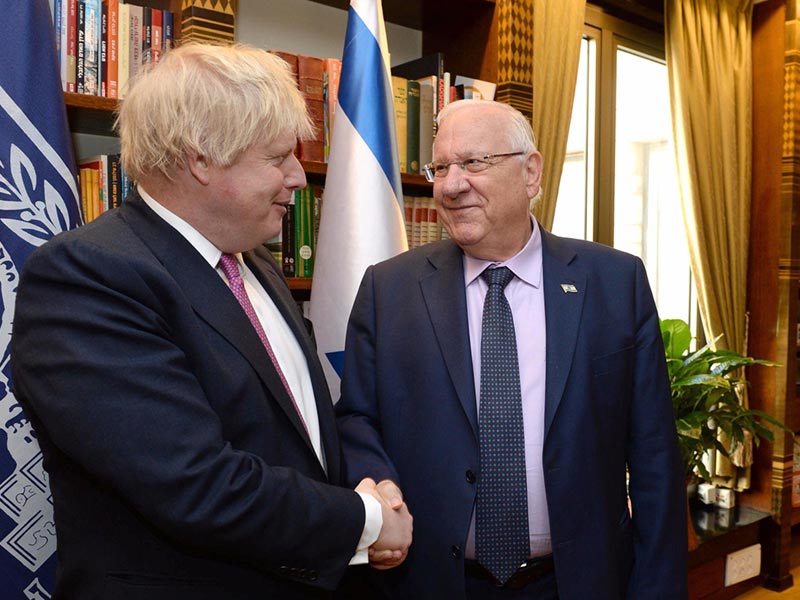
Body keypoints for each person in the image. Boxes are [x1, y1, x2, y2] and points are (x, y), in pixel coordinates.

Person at [10, 42, 411, 600]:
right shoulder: (88, 276)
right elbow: (193, 483)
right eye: (277, 158)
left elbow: (297, 433)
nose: (299, 177)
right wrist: (364, 520)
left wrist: (364, 487)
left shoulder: (255, 263)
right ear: (200, 159)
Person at [335, 99, 687, 599]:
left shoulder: (615, 282)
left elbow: (653, 454)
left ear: (531, 172)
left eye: (474, 163)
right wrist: (382, 486)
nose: (452, 185)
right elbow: (355, 419)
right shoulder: (389, 290)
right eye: (440, 168)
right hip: (434, 581)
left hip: (578, 582)